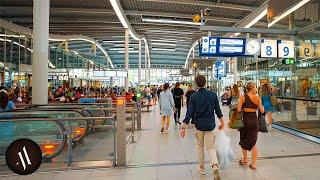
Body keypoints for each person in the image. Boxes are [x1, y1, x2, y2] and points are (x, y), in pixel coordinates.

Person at [180, 75, 224, 179]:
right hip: (210, 125)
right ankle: (214, 167)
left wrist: (183, 127)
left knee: (200, 147)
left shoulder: (194, 96)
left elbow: (189, 113)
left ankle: (202, 168)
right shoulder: (213, 95)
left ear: (196, 84)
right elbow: (218, 111)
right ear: (205, 83)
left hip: (199, 125)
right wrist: (222, 123)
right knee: (211, 147)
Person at [237, 82, 265, 170]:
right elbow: (262, 110)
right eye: (255, 87)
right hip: (254, 122)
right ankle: (253, 164)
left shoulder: (242, 97)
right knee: (253, 142)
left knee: (243, 140)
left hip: (245, 122)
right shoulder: (257, 98)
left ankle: (245, 160)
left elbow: (238, 109)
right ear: (251, 88)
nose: (256, 89)